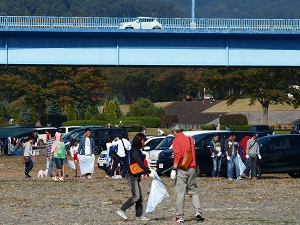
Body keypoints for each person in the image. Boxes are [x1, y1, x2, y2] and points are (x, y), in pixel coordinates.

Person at [116, 133, 156, 221]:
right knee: (136, 196)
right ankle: (122, 209)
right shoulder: (134, 151)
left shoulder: (138, 150)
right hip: (131, 176)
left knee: (141, 196)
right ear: (139, 141)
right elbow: (140, 163)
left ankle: (139, 216)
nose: (144, 142)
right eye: (143, 140)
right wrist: (149, 171)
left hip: (137, 176)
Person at [169, 123, 204, 223]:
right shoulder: (190, 139)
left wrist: (174, 169)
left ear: (175, 131)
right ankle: (198, 210)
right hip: (192, 166)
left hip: (182, 168)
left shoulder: (176, 140)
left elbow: (178, 155)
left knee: (180, 192)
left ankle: (179, 216)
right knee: (193, 190)